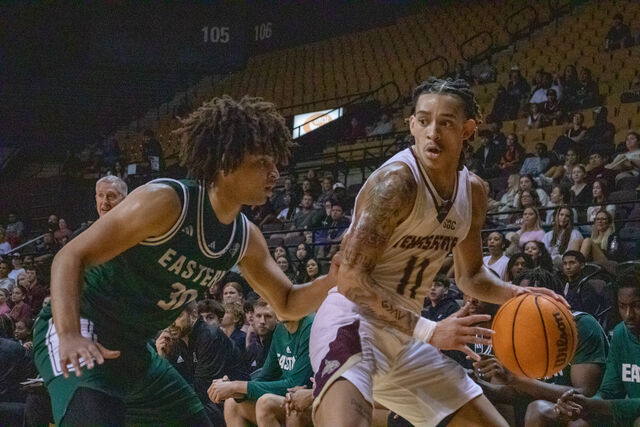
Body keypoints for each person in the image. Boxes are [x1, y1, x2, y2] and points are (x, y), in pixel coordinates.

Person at [32, 95, 338, 425]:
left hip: (135, 349)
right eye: (262, 162)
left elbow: (288, 302)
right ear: (226, 161)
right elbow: (68, 256)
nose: (275, 173)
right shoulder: (166, 201)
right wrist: (69, 334)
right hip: (84, 325)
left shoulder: (245, 238)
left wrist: (334, 277)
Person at [310, 78, 566, 427]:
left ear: (468, 130)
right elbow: (351, 279)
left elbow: (470, 276)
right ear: (411, 125)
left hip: (406, 337)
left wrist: (516, 293)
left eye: (446, 122)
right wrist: (430, 332)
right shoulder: (396, 183)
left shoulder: (474, 191)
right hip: (353, 323)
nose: (433, 132)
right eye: (424, 120)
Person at [554, 265, 640, 426]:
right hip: (626, 413)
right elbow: (609, 391)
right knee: (576, 422)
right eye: (622, 306)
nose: (629, 315)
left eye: (637, 306)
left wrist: (595, 405)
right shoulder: (621, 333)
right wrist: (583, 404)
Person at [211, 313, 315, 426]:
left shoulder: (310, 324)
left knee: (266, 402)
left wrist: (237, 386)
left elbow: (296, 384)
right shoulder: (280, 329)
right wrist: (236, 392)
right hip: (287, 398)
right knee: (232, 402)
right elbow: (266, 376)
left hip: (312, 399)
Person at [156, 302, 249, 426]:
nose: (171, 323)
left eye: (177, 316)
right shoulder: (176, 338)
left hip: (230, 402)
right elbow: (175, 383)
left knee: (170, 413)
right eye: (168, 317)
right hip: (205, 401)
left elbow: (202, 391)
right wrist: (164, 358)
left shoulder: (210, 336)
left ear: (193, 314)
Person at [71, 175, 128, 239]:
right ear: (96, 199)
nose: (105, 201)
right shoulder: (79, 236)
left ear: (123, 200)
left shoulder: (135, 237)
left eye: (111, 196)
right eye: (101, 195)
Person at [245, 299, 278, 373]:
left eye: (268, 316)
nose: (262, 321)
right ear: (252, 318)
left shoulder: (281, 345)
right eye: (258, 316)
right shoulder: (252, 347)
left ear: (277, 319)